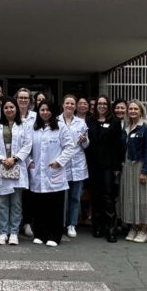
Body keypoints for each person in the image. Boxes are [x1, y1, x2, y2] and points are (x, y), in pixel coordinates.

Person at [29, 101, 75, 247]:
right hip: (37, 174)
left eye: (48, 110)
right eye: (42, 110)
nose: (45, 112)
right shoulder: (34, 128)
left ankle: (54, 236)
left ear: (53, 111)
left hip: (54, 173)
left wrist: (59, 162)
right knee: (39, 206)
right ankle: (39, 234)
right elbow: (26, 147)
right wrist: (29, 161)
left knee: (54, 207)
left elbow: (70, 147)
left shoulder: (60, 127)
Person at [0, 97, 32, 245]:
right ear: (3, 110)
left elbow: (27, 145)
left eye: (11, 107)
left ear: (16, 108)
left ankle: (14, 232)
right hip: (1, 166)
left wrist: (15, 159)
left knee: (16, 203)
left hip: (16, 166)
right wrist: (2, 159)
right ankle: (2, 232)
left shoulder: (24, 125)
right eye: (6, 107)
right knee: (2, 203)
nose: (9, 110)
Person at [86, 94, 124, 242]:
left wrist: (116, 166)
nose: (101, 106)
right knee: (95, 196)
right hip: (93, 165)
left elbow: (118, 146)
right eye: (99, 104)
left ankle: (111, 229)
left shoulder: (114, 122)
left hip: (108, 165)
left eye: (104, 104)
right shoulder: (89, 121)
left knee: (108, 197)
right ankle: (97, 227)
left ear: (108, 106)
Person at [119, 99, 147, 244]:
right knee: (130, 198)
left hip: (141, 166)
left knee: (144, 199)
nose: (133, 111)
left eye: (136, 109)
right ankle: (133, 227)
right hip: (128, 167)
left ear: (141, 111)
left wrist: (144, 172)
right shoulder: (127, 127)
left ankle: (143, 230)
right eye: (131, 109)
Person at [57, 95, 89, 238]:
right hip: (62, 164)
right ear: (63, 105)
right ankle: (61, 223)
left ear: (75, 106)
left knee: (75, 197)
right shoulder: (56, 121)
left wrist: (84, 140)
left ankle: (72, 224)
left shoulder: (81, 123)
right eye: (67, 103)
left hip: (78, 164)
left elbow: (86, 144)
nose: (69, 106)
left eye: (72, 104)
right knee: (62, 197)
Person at [15, 88, 36, 237]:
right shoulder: (11, 114)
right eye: (20, 98)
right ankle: (15, 223)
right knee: (15, 194)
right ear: (16, 99)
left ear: (30, 101)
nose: (23, 100)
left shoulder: (35, 116)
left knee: (30, 194)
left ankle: (28, 222)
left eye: (26, 98)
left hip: (34, 161)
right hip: (16, 159)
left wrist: (31, 160)